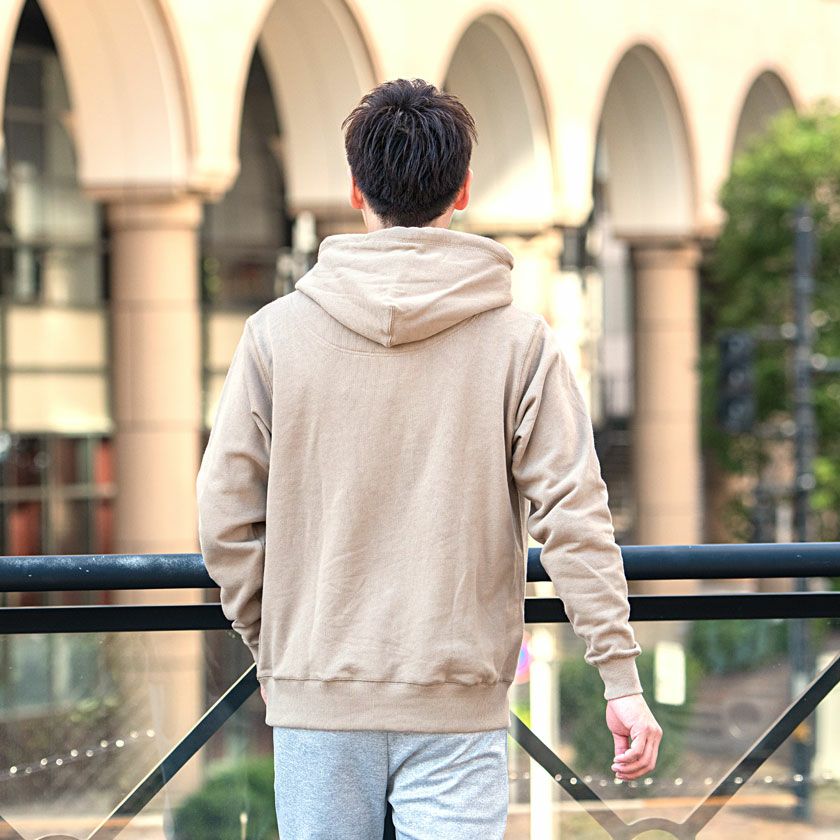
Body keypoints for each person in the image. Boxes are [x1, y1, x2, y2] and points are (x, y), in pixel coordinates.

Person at [196, 77, 662, 840]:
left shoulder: (275, 336)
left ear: (356, 190)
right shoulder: (521, 343)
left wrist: (279, 647)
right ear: (463, 189)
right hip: (457, 702)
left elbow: (224, 517)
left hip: (319, 694)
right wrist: (619, 677)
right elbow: (573, 515)